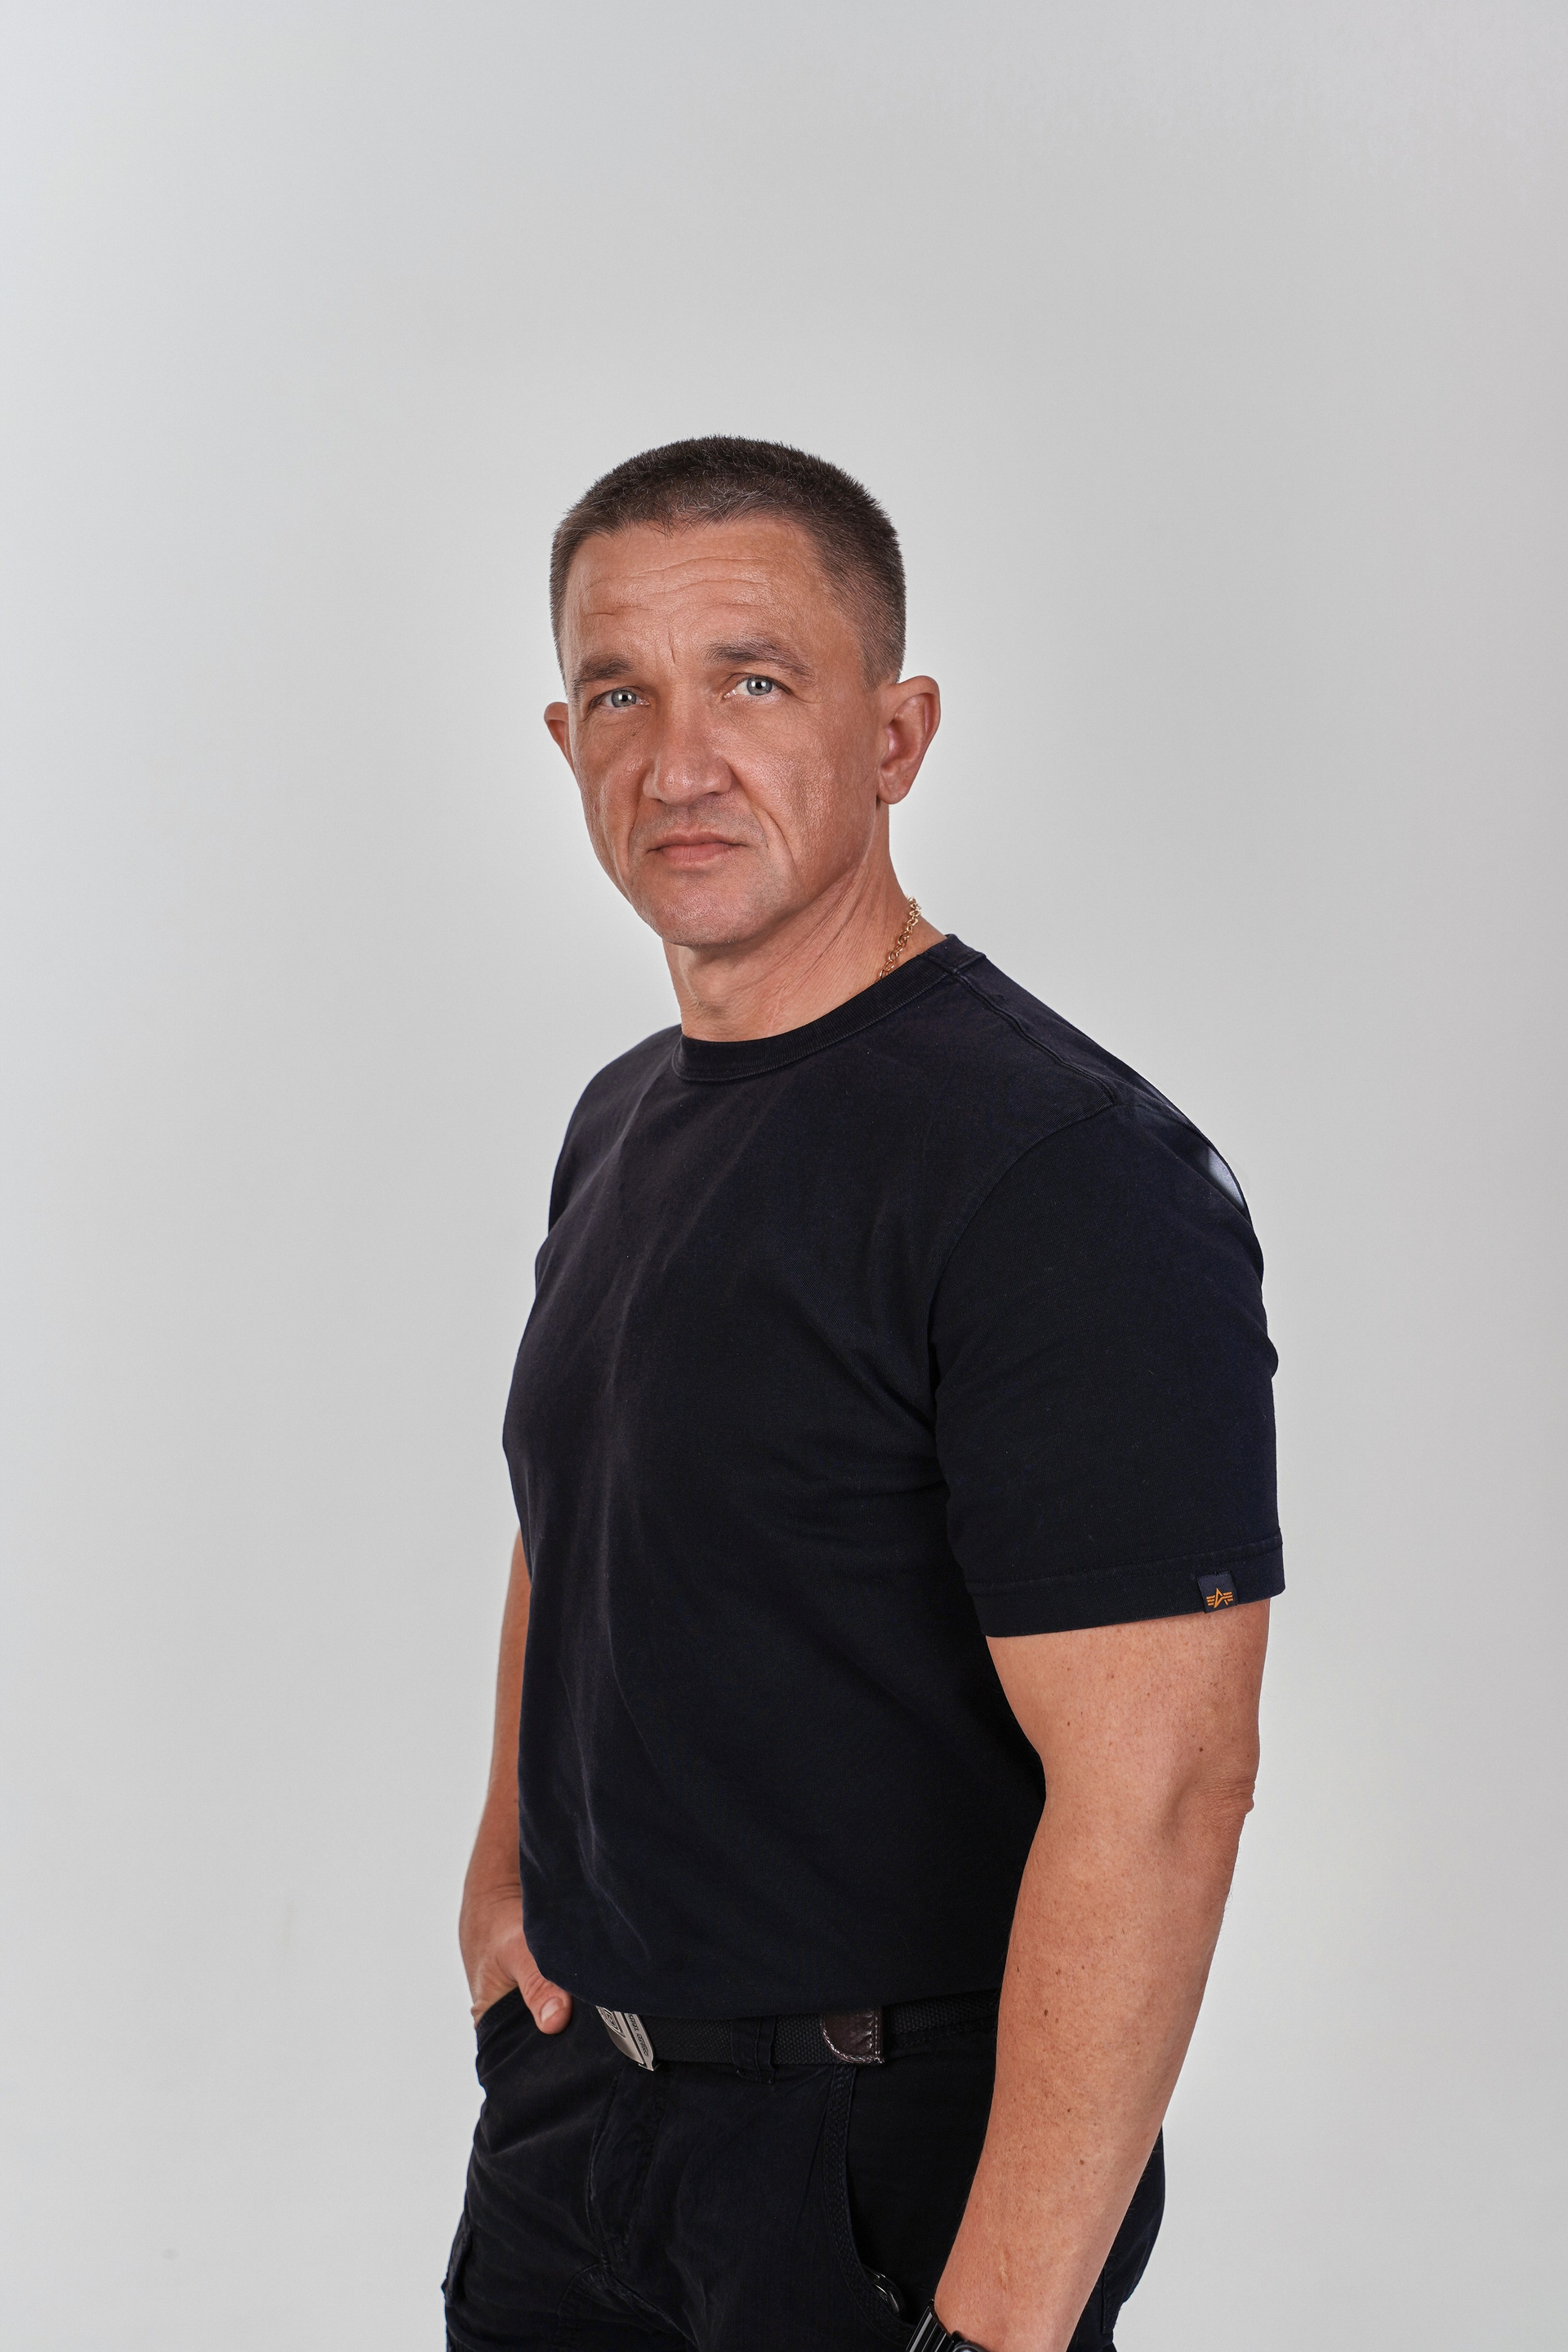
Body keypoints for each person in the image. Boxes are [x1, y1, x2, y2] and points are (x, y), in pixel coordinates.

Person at [447, 437, 1281, 2352]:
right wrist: (503, 1880)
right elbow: (577, 1513)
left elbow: (1167, 1794)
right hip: (579, 2125)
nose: (678, 762)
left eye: (753, 682)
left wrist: (997, 2327)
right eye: (618, 695)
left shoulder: (1057, 1174)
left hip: (877, 2167)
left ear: (895, 735)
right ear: (562, 739)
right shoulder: (622, 1120)